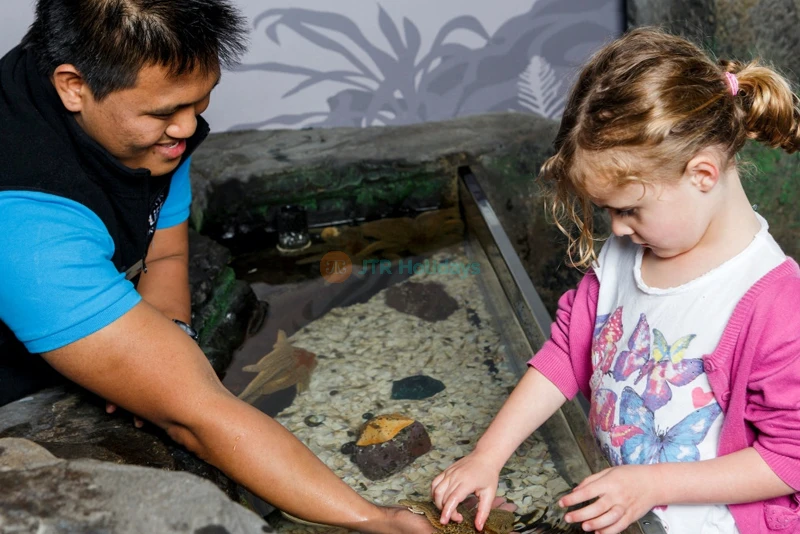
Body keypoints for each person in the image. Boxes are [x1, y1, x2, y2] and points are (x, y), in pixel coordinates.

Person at [0, 1, 439, 532]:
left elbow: (163, 249)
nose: (187, 129)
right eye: (163, 114)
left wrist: (166, 344)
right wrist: (377, 518)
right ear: (73, 86)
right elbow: (198, 418)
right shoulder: (28, 225)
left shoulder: (103, 90)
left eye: (201, 102)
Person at [430, 27, 800, 534]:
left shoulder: (774, 303)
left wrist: (651, 485)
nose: (618, 229)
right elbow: (566, 353)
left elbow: (790, 458)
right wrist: (486, 455)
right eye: (608, 211)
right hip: (625, 507)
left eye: (628, 210)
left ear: (703, 175)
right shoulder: (631, 251)